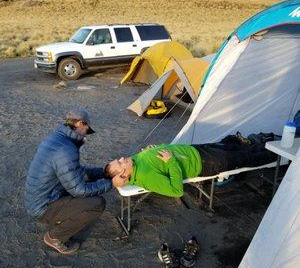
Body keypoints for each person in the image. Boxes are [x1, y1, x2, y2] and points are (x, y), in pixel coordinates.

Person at [25, 108, 127, 254]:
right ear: (80, 123)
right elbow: (79, 190)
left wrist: (105, 173)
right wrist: (111, 183)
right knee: (97, 203)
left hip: (40, 197)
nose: (87, 135)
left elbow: (77, 172)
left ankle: (61, 218)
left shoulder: (58, 138)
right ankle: (54, 238)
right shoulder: (66, 149)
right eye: (87, 129)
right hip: (42, 206)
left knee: (85, 191)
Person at [105, 142, 276, 197]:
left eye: (118, 160)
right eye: (119, 164)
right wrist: (171, 162)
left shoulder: (132, 162)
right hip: (204, 163)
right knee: (246, 158)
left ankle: (269, 143)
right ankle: (278, 153)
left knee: (236, 147)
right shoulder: (147, 177)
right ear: (124, 174)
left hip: (194, 150)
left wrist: (151, 149)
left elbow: (150, 157)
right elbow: (176, 191)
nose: (121, 159)